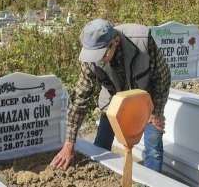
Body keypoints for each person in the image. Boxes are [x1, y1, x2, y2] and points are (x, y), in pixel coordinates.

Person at [51, 18, 171, 172]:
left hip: (145, 101)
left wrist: (157, 112)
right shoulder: (90, 58)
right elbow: (80, 99)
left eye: (101, 54)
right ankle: (99, 174)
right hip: (113, 100)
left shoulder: (142, 40)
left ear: (115, 41)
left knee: (153, 147)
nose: (97, 59)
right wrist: (69, 143)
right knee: (101, 144)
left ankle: (152, 179)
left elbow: (162, 76)